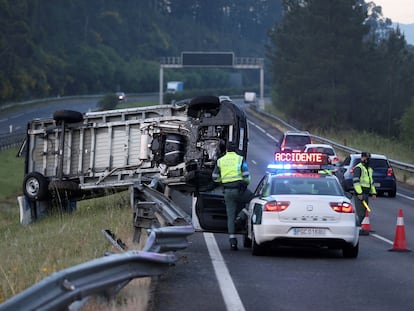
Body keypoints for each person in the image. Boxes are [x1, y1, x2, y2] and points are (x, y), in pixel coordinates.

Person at [212, 142, 252, 250]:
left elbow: (214, 177)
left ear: (226, 150)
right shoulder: (239, 159)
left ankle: (233, 242)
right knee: (254, 201)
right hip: (239, 190)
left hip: (227, 191)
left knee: (230, 216)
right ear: (235, 150)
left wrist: (222, 182)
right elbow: (246, 176)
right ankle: (241, 217)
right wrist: (245, 184)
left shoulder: (220, 161)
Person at [353, 152, 377, 235]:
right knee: (360, 212)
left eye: (368, 158)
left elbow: (371, 182)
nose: (367, 160)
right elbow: (356, 182)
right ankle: (357, 229)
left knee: (364, 211)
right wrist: (359, 193)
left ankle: (359, 228)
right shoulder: (358, 168)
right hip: (360, 193)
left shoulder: (369, 169)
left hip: (366, 193)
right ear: (362, 158)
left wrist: (373, 193)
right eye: (366, 158)